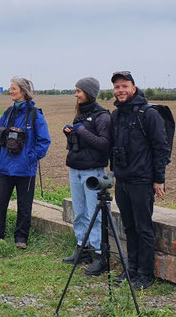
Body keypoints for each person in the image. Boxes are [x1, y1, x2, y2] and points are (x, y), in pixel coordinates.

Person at [110, 71, 170, 289]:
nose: (120, 90)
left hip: (142, 180)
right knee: (129, 227)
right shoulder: (117, 115)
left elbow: (161, 147)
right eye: (117, 87)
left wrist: (158, 179)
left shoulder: (148, 114)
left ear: (133, 88)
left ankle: (146, 274)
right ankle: (131, 270)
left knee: (143, 228)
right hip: (122, 180)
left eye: (124, 86)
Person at [0, 76, 51, 249]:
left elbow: (44, 141)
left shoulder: (35, 116)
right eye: (10, 88)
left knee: (24, 205)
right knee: (0, 203)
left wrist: (30, 157)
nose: (10, 91)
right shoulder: (7, 113)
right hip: (6, 167)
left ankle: (21, 238)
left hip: (26, 170)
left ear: (23, 92)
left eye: (13, 88)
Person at [61, 77, 111, 276]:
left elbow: (104, 144)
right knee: (79, 211)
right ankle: (83, 249)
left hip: (93, 171)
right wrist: (71, 133)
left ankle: (100, 255)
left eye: (79, 91)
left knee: (95, 214)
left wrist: (81, 131)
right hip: (75, 168)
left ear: (89, 92)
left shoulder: (103, 117)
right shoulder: (80, 115)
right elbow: (82, 140)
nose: (76, 94)